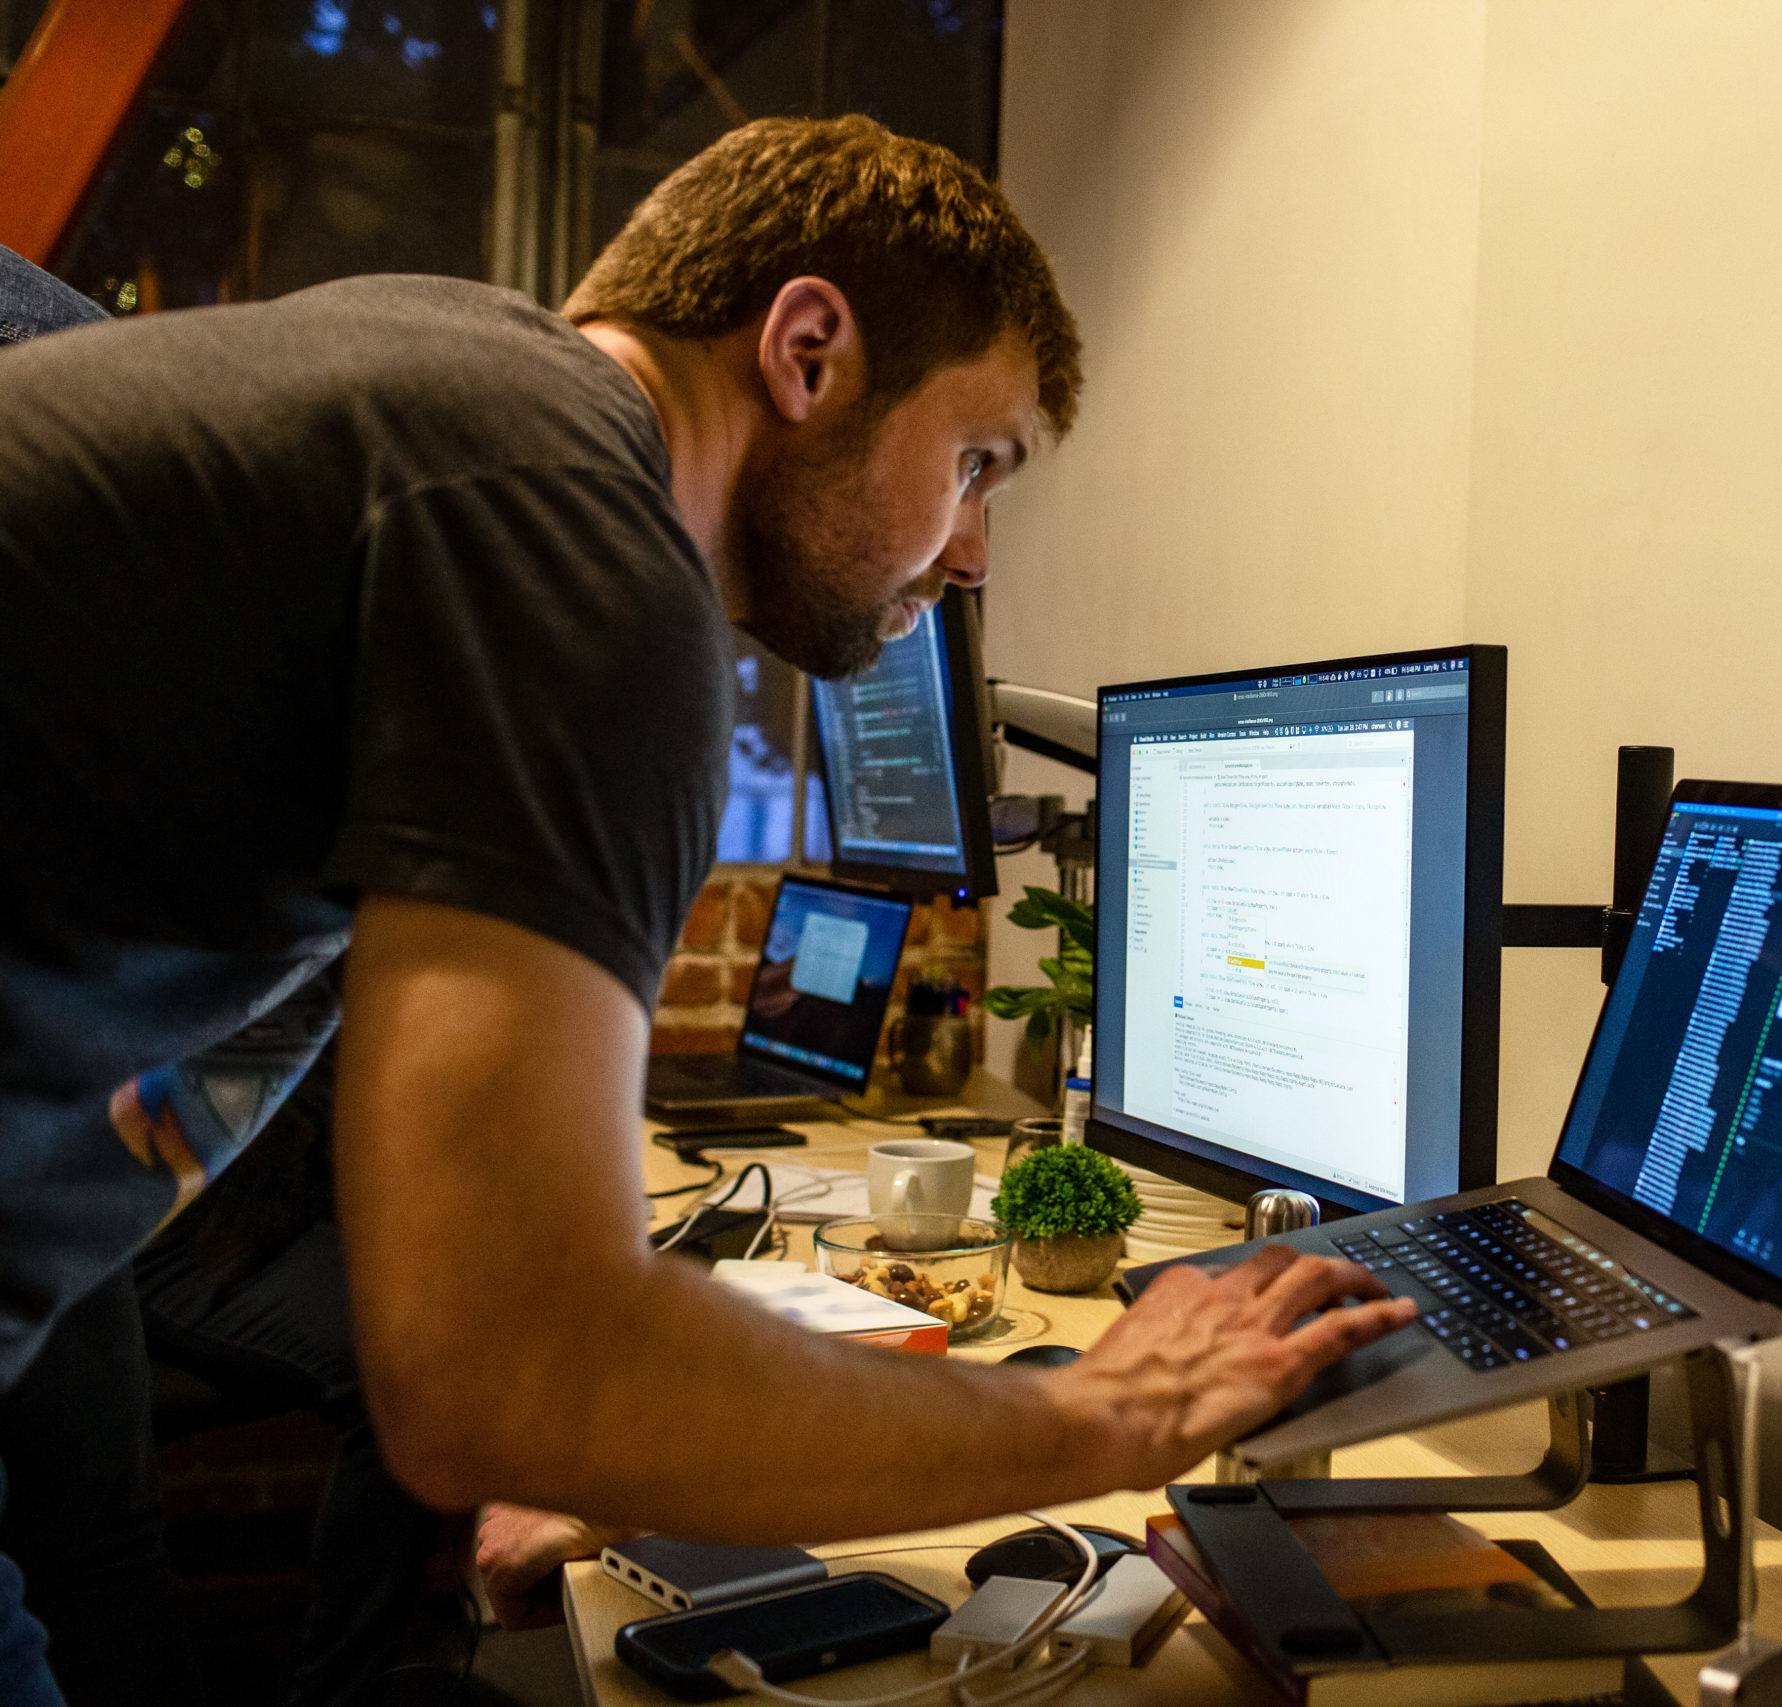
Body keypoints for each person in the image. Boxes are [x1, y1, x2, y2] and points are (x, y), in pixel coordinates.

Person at [0, 115, 1415, 1707]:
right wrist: (1104, 1415)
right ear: (807, 349)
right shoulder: (575, 532)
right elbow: (496, 1372)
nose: (974, 552)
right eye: (974, 463)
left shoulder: (466, 391)